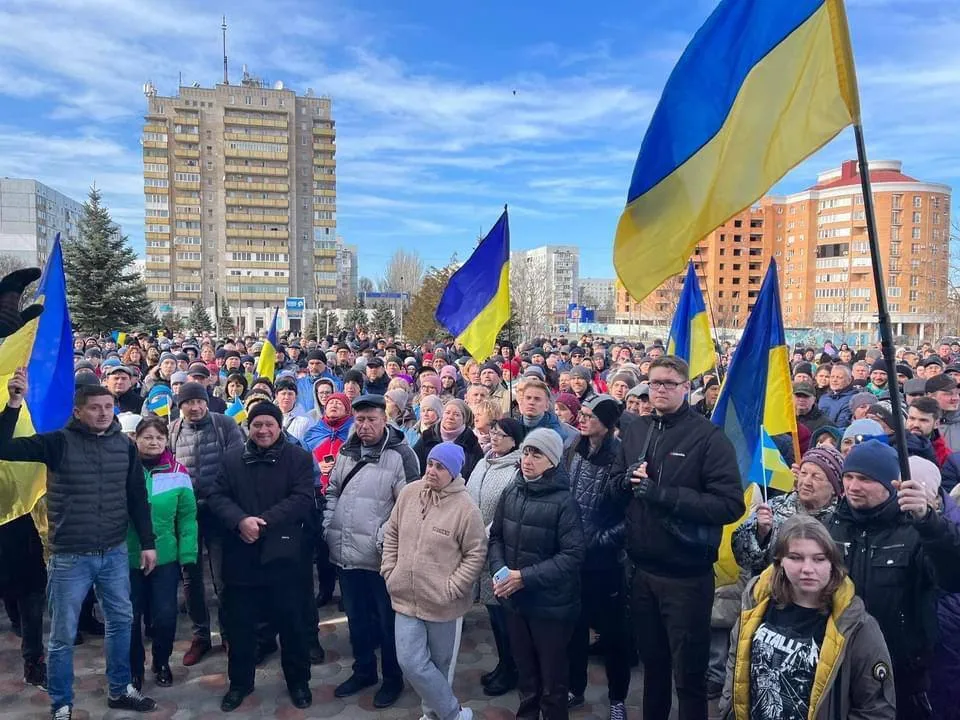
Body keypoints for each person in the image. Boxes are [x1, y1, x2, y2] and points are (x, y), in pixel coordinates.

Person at [0, 370, 158, 718]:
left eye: (108, 406)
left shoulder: (124, 447)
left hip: (114, 551)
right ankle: (62, 703)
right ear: (77, 412)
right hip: (70, 556)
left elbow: (136, 498)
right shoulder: (56, 443)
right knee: (62, 635)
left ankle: (120, 689)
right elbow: (3, 445)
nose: (103, 413)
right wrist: (14, 402)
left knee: (121, 622)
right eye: (94, 408)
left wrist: (147, 542)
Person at [611, 355, 745, 720]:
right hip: (641, 571)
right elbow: (615, 483)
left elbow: (730, 505)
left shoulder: (707, 436)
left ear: (687, 388)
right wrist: (624, 482)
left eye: (670, 383)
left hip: (686, 575)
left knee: (689, 677)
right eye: (655, 383)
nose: (661, 390)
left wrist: (662, 495)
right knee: (653, 670)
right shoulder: (636, 429)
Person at [828, 439, 960, 718]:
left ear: (891, 485)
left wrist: (930, 523)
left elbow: (952, 577)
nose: (853, 486)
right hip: (838, 662)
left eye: (864, 479)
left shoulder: (915, 530)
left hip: (902, 670)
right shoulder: (831, 527)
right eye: (848, 477)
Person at [719, 515, 896, 720]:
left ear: (832, 563)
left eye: (819, 559)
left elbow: (876, 709)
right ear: (780, 562)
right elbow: (736, 664)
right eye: (795, 557)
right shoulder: (755, 604)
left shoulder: (857, 626)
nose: (807, 569)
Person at [205, 401, 315, 711]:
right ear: (248, 428)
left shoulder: (298, 458)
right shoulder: (232, 459)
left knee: (293, 625)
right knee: (241, 628)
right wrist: (240, 520)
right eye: (257, 425)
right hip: (242, 558)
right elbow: (216, 496)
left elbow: (303, 497)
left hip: (286, 556)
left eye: (269, 424)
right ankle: (240, 683)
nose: (263, 430)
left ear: (280, 427)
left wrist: (262, 523)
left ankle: (299, 682)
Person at [323, 394, 420, 708]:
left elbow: (409, 505)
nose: (364, 426)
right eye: (360, 419)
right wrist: (329, 526)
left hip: (382, 558)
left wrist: (383, 538)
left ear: (384, 419)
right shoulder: (347, 452)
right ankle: (363, 670)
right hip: (346, 554)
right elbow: (333, 491)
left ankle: (392, 678)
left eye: (371, 419)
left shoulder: (401, 455)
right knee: (357, 619)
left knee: (387, 623)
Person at [382, 442, 487, 720]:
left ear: (453, 472)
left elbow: (476, 553)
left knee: (439, 664)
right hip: (404, 595)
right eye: (430, 464)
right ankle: (454, 714)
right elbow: (392, 533)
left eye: (440, 467)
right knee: (410, 662)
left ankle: (432, 715)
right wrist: (390, 570)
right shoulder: (409, 493)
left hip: (443, 604)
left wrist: (453, 588)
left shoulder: (466, 508)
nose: (432, 471)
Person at [488, 428, 584, 720]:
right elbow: (496, 538)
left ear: (553, 461)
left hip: (550, 607)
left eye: (537, 454)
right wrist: (500, 572)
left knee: (552, 682)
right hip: (516, 603)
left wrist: (524, 577)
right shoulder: (512, 490)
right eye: (526, 452)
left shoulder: (564, 502)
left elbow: (572, 556)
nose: (528, 459)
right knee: (527, 676)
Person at [169, 381, 245, 666]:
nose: (195, 407)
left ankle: (228, 632)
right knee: (190, 578)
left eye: (200, 401)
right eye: (189, 402)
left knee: (223, 577)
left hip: (219, 511)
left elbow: (238, 463)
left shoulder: (224, 425)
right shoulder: (174, 430)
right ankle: (200, 636)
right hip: (186, 513)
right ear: (181, 406)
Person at [566, 395, 631, 717]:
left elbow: (631, 515)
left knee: (612, 633)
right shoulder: (576, 451)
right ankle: (574, 687)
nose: (583, 419)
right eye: (583, 414)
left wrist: (603, 539)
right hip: (575, 556)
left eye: (591, 416)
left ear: (607, 422)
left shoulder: (619, 457)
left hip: (605, 561)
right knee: (575, 627)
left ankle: (618, 699)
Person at [128, 417, 198, 690]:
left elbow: (188, 517)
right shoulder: (124, 469)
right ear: (136, 439)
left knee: (165, 615)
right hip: (128, 557)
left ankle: (162, 661)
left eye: (159, 437)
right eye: (147, 437)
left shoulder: (178, 472)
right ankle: (134, 668)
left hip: (165, 556)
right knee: (130, 617)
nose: (154, 442)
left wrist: (188, 554)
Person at [467, 418, 525, 697]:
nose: (495, 438)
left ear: (515, 440)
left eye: (502, 435)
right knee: (492, 613)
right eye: (493, 433)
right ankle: (504, 663)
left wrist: (487, 534)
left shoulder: (517, 468)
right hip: (477, 546)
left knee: (506, 615)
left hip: (500, 549)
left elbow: (510, 510)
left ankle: (514, 668)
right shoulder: (483, 461)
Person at [732, 447, 843, 575]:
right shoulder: (774, 506)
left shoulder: (842, 518)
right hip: (774, 589)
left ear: (834, 487)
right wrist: (761, 534)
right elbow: (743, 560)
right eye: (803, 473)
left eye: (816, 477)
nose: (806, 482)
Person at [414, 399, 483, 482]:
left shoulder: (471, 444)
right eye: (447, 413)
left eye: (456, 415)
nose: (450, 417)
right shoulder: (428, 437)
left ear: (464, 419)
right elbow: (414, 465)